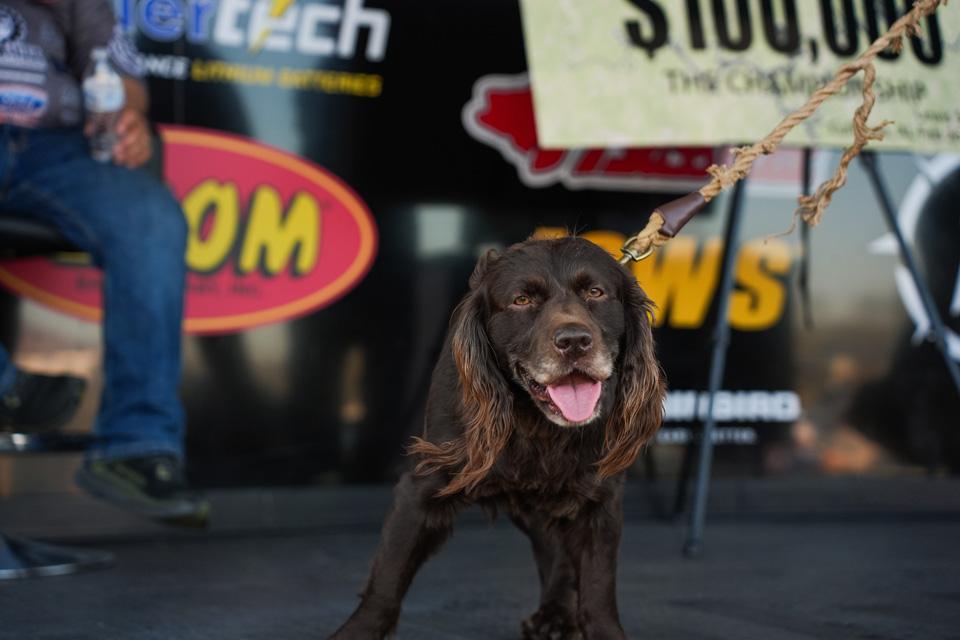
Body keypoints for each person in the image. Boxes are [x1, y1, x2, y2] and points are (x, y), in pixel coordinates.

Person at [0, 0, 205, 523]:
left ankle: (136, 446)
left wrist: (126, 115)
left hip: (54, 144)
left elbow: (122, 74)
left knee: (150, 217)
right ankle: (6, 389)